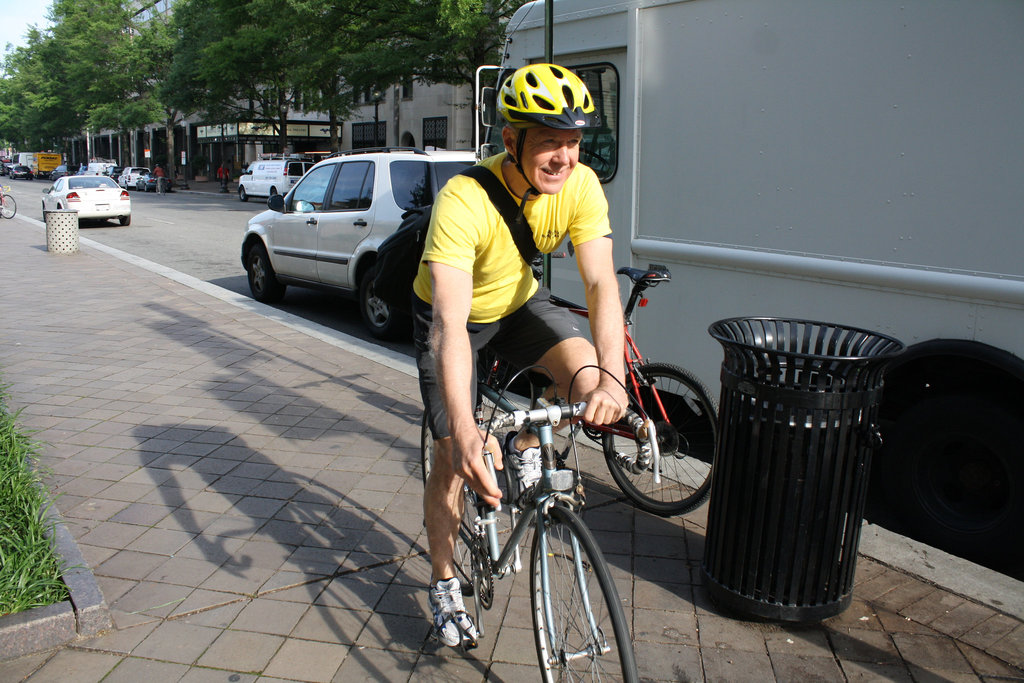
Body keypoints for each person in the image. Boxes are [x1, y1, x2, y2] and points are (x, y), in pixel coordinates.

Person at [413, 63, 628, 649]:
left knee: (584, 374)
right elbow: (451, 326)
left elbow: (601, 286)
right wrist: (462, 428)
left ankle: (526, 442)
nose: (565, 157)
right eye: (549, 142)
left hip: (519, 304)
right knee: (453, 455)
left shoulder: (581, 185)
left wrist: (612, 381)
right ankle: (442, 579)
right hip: (453, 320)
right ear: (511, 140)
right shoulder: (463, 199)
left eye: (574, 141)